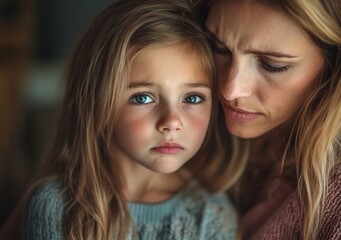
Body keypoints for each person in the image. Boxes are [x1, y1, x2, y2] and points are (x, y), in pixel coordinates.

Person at [20, 0, 245, 239]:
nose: (171, 121)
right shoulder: (57, 206)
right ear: (97, 102)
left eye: (192, 98)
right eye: (142, 98)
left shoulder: (214, 218)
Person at [194, 0, 341, 239]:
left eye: (273, 65)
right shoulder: (186, 129)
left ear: (336, 66)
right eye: (219, 47)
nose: (230, 90)